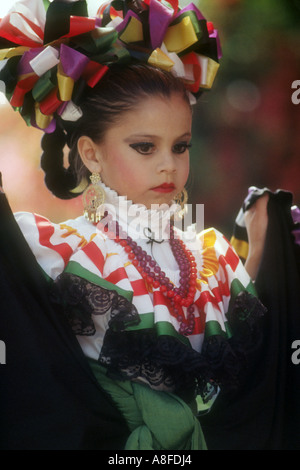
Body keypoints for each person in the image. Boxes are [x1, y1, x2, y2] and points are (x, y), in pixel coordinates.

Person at [0, 0, 297, 451]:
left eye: (180, 146)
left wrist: (265, 249)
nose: (168, 167)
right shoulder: (59, 255)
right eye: (144, 147)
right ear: (91, 153)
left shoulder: (213, 260)